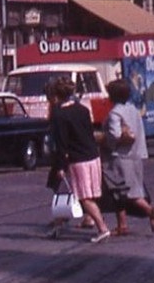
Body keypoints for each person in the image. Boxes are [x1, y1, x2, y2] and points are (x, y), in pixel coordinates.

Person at [46, 77, 110, 242]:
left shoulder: (59, 115)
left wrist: (60, 166)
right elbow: (89, 133)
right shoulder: (82, 109)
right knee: (75, 193)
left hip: (78, 160)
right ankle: (58, 226)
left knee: (82, 196)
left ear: (56, 94)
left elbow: (62, 143)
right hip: (93, 156)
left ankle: (102, 228)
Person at [99, 77, 154, 236]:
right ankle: (122, 224)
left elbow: (115, 135)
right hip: (136, 155)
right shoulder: (133, 110)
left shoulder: (115, 113)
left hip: (120, 157)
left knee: (125, 192)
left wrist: (101, 138)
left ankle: (150, 210)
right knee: (123, 192)